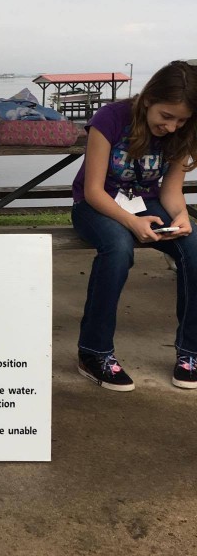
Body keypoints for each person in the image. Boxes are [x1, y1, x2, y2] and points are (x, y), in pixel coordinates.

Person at [71, 60, 197, 391]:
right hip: (97, 205)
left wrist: (182, 216)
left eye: (181, 120)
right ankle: (93, 352)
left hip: (148, 203)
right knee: (118, 247)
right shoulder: (110, 119)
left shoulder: (184, 132)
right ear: (147, 100)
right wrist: (130, 221)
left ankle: (190, 353)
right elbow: (93, 190)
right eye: (166, 116)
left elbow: (170, 192)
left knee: (195, 246)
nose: (172, 127)